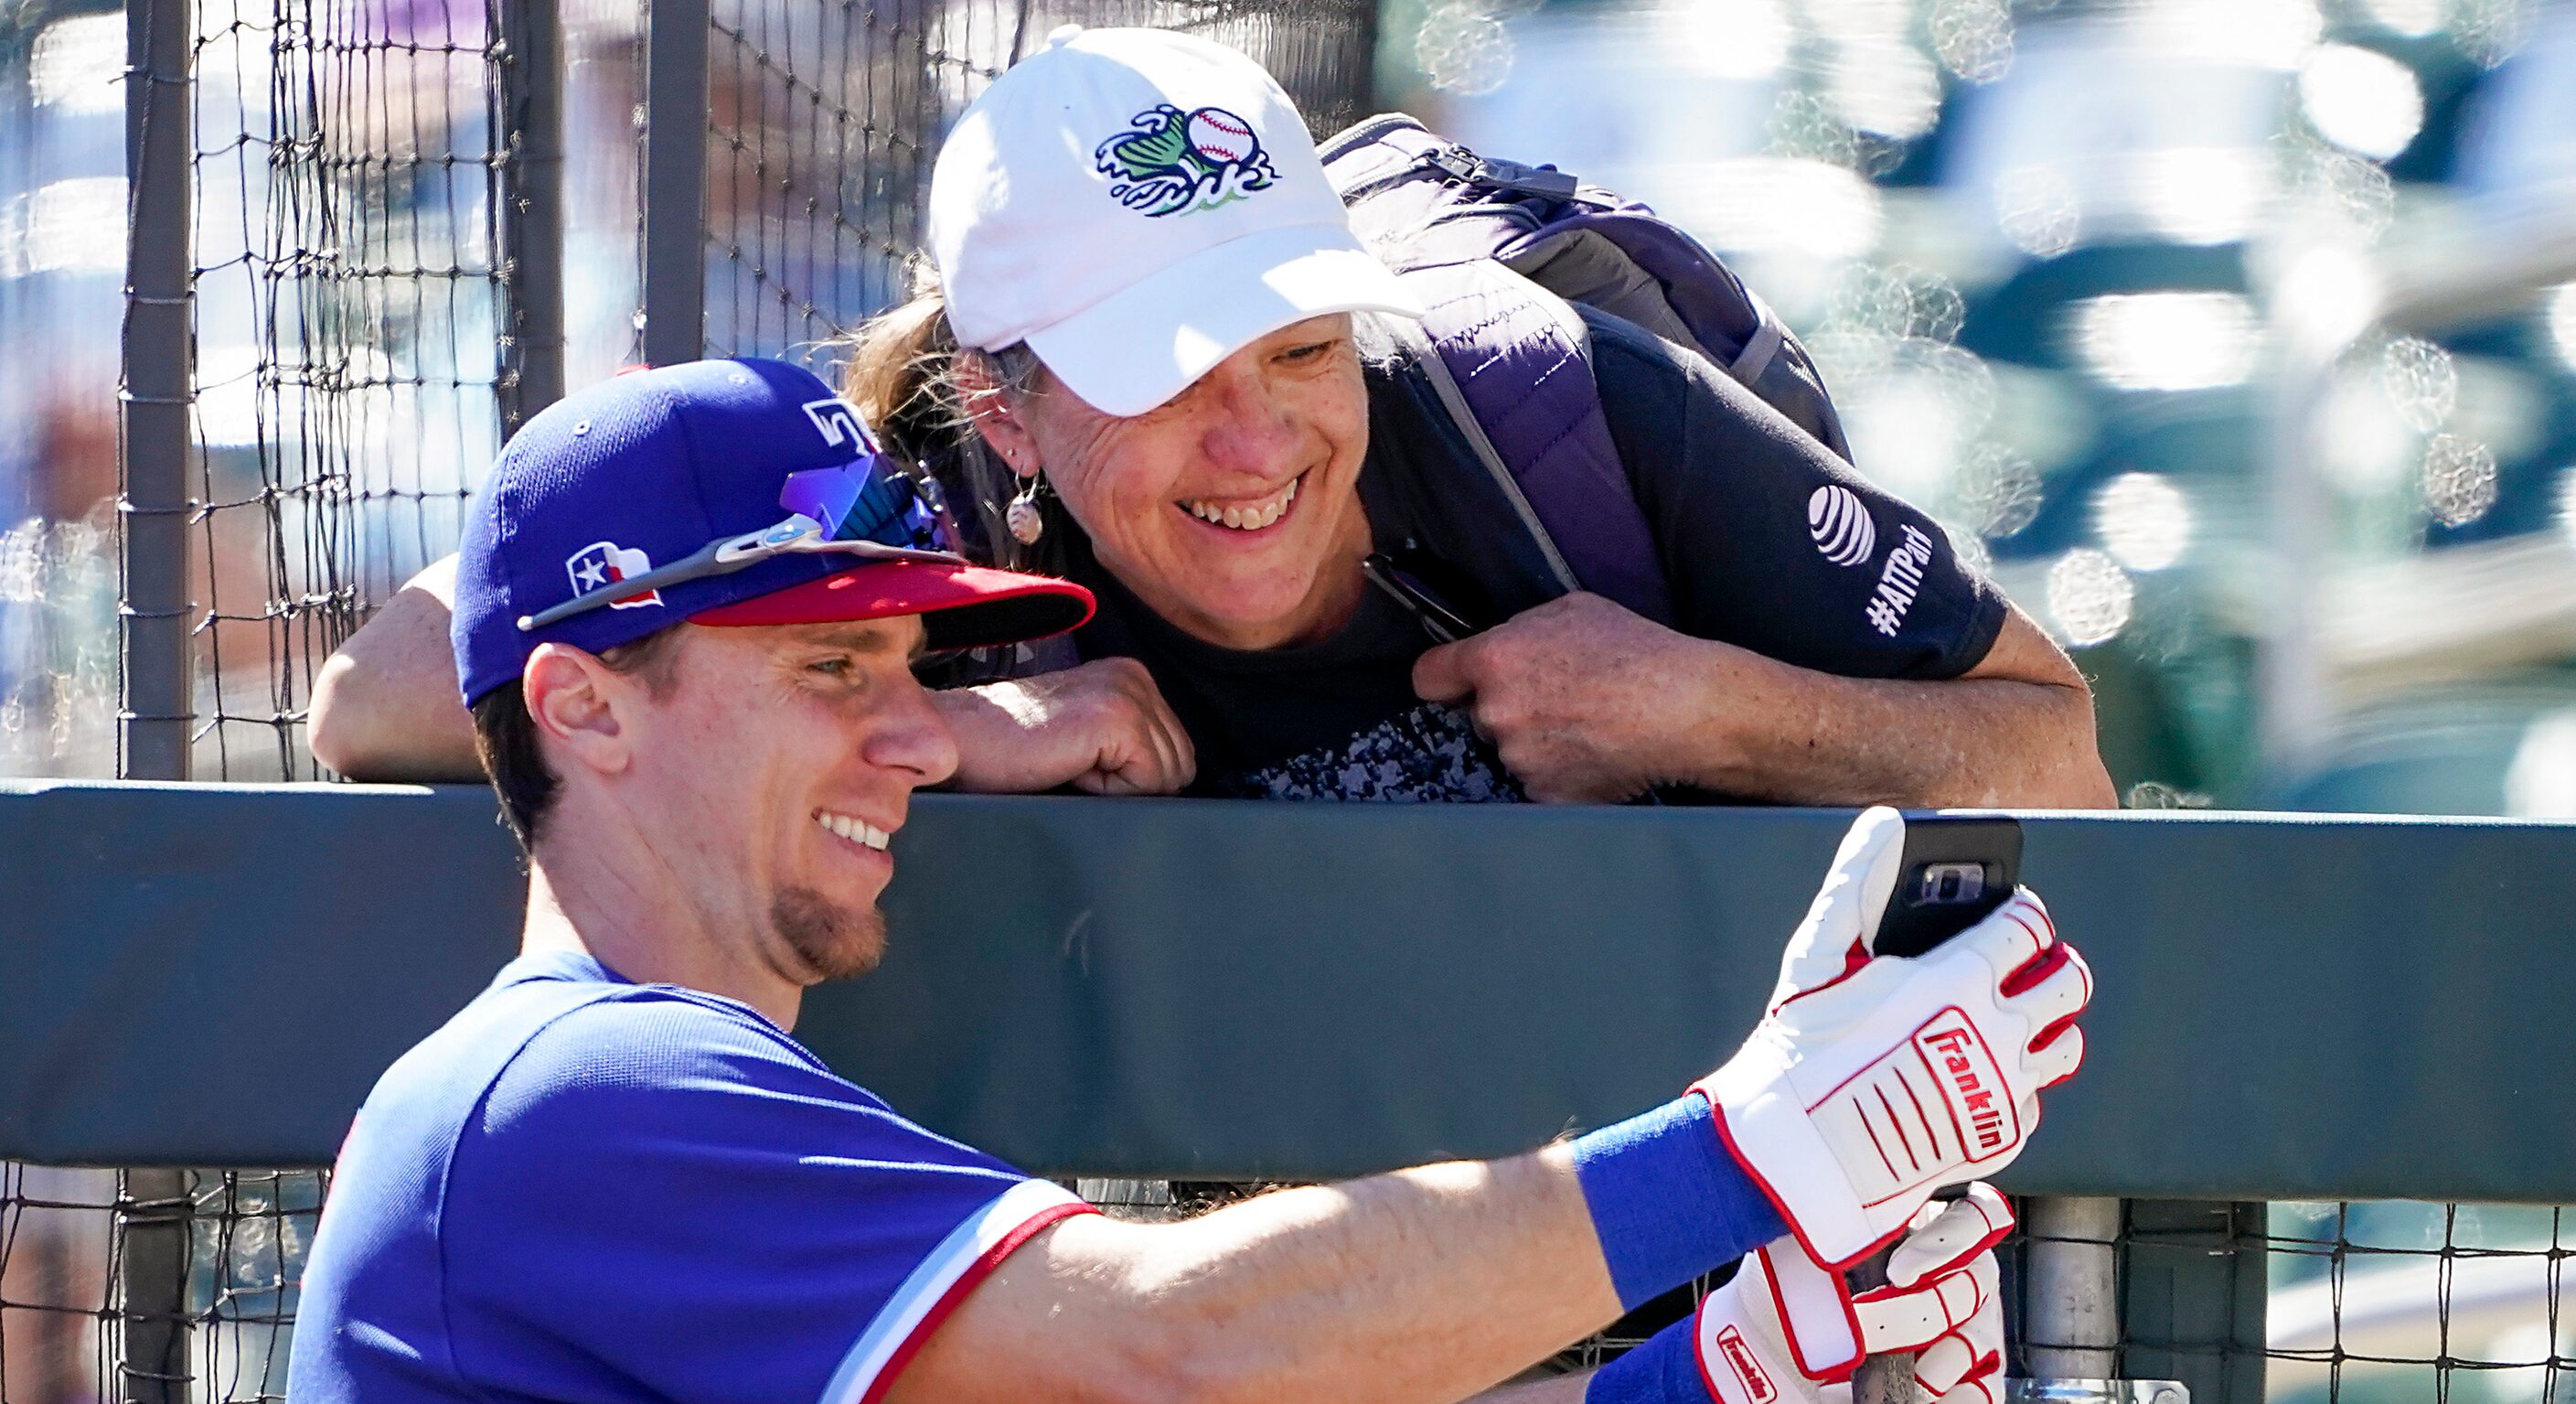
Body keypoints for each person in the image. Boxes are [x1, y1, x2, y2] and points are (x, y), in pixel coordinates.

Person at [279, 353, 2094, 1404]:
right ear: (584, 707)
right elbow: (1190, 1347)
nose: (914, 739)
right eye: (830, 676)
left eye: (914, 677)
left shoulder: (803, 1181)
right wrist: (1742, 1151)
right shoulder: (572, 1102)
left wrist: (1729, 1371)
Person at [305, 32, 2111, 816]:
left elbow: (2049, 756)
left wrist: (1699, 705)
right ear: (1005, 408)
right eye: (1163, 380)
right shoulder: (885, 503)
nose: (1255, 447)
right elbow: (380, 698)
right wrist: (944, 734)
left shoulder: (1553, 399)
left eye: (1296, 351)